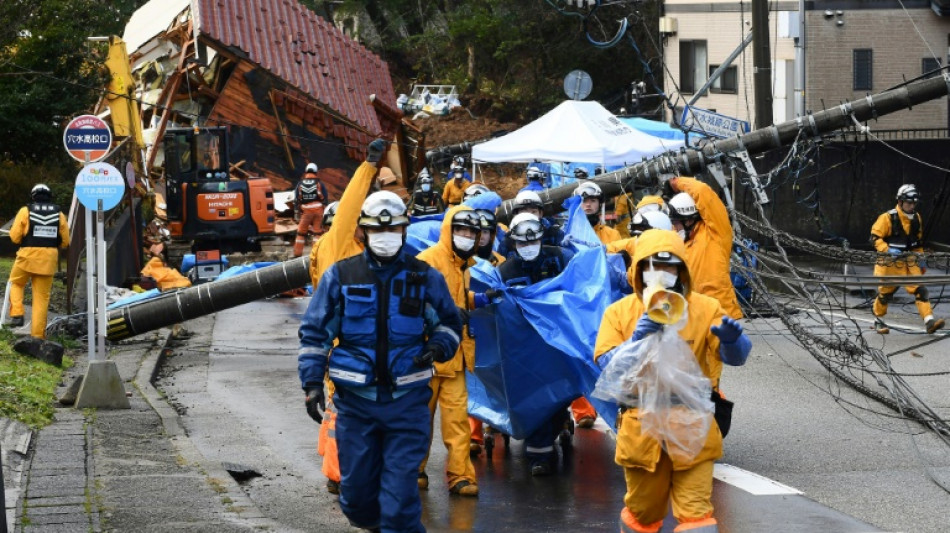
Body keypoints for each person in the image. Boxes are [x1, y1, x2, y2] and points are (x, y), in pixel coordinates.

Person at [298, 191, 463, 533]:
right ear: (363, 232)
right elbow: (315, 333)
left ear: (403, 231)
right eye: (377, 231)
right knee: (356, 500)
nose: (385, 238)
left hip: (408, 404)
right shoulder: (341, 277)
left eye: (392, 231)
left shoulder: (424, 277)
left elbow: (449, 323)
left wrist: (439, 346)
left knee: (400, 501)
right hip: (356, 407)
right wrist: (312, 384)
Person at [594, 228, 751, 533]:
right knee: (642, 514)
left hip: (693, 426)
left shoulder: (705, 308)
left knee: (698, 518)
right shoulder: (620, 313)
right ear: (638, 269)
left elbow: (736, 358)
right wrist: (637, 339)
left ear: (682, 268)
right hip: (642, 430)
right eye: (651, 265)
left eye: (669, 265)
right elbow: (606, 366)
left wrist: (734, 342)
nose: (660, 273)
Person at [307, 139, 388, 496]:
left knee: (342, 412)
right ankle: (340, 476)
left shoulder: (351, 249)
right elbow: (351, 205)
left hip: (350, 338)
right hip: (345, 342)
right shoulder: (338, 243)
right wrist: (368, 167)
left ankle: (339, 467)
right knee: (345, 412)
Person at [417, 206, 491, 496]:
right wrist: (446, 314)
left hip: (456, 357)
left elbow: (456, 298)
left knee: (457, 421)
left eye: (471, 232)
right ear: (449, 230)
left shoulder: (464, 266)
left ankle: (461, 476)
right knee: (419, 419)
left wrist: (478, 300)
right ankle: (414, 471)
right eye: (461, 230)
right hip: (427, 358)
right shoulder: (426, 262)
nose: (466, 236)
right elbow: (411, 304)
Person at [497, 213, 575, 475]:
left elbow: (582, 279)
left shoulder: (559, 257)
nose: (528, 247)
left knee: (562, 388)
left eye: (533, 241)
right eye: (521, 243)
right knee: (534, 394)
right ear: (513, 244)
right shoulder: (505, 271)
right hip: (524, 344)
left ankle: (560, 420)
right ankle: (539, 453)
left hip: (559, 339)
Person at [870, 184, 945, 334]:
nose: (911, 206)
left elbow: (917, 242)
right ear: (900, 201)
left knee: (921, 290)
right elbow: (874, 238)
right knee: (885, 294)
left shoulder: (916, 218)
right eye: (909, 203)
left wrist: (921, 259)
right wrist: (887, 250)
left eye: (914, 203)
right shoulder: (887, 218)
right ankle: (878, 320)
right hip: (890, 265)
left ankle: (929, 321)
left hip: (910, 262)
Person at [665, 177, 743, 320]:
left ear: (689, 219)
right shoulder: (680, 242)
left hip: (721, 315)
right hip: (696, 317)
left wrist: (676, 182)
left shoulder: (715, 233)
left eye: (676, 222)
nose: (674, 227)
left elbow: (702, 191)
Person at [6, 184, 70, 338]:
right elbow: (65, 242)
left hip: (27, 257)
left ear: (33, 196)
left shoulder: (25, 211)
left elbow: (14, 237)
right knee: (41, 298)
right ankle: (38, 337)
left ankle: (17, 313)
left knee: (16, 283)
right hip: (48, 260)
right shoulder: (59, 214)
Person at [294, 162, 330, 257]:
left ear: (306, 171)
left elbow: (297, 198)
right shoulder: (319, 183)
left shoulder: (300, 184)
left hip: (306, 212)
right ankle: (316, 254)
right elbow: (325, 197)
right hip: (318, 211)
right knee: (317, 233)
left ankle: (297, 254)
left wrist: (298, 210)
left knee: (301, 233)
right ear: (316, 172)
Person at [575, 181, 621, 245]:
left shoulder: (612, 235)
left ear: (600, 205)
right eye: (584, 201)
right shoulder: (570, 235)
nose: (588, 204)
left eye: (593, 201)